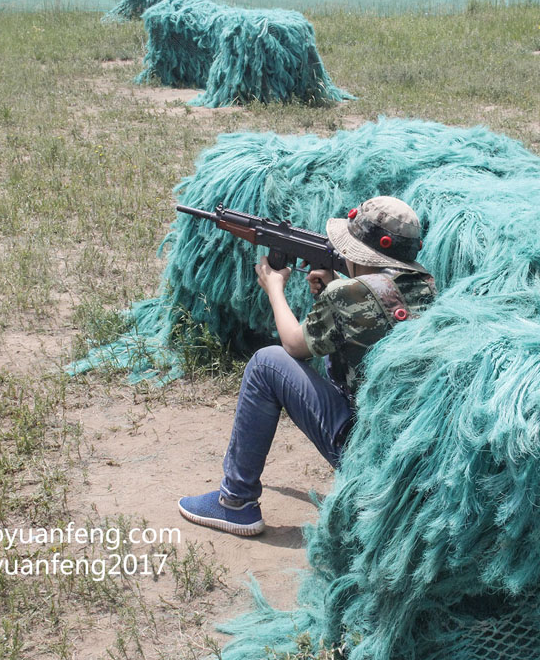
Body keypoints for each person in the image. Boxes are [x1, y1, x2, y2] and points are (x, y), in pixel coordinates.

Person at [177, 195, 437, 536]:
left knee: (266, 363)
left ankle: (235, 503)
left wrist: (274, 287)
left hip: (363, 450)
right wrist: (332, 290)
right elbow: (373, 322)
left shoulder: (347, 295)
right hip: (406, 450)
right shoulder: (426, 287)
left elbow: (293, 346)